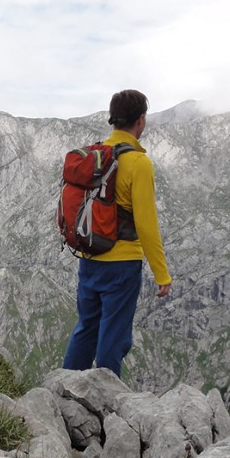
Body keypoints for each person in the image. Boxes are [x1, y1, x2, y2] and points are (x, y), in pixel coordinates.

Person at [62, 89, 172, 377]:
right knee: (114, 336)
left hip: (89, 255)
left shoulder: (96, 155)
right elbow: (147, 224)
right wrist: (162, 274)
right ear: (140, 121)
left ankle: (63, 390)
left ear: (113, 119)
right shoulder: (138, 163)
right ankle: (106, 404)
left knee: (86, 327)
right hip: (122, 264)